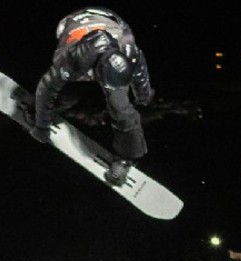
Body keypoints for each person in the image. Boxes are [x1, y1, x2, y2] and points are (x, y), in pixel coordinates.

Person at [27, 8, 155, 186]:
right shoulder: (70, 60)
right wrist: (42, 125)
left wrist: (144, 94)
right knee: (68, 93)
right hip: (71, 25)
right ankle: (43, 110)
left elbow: (139, 68)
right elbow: (46, 88)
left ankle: (126, 158)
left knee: (120, 107)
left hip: (110, 21)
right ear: (95, 73)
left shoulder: (128, 48)